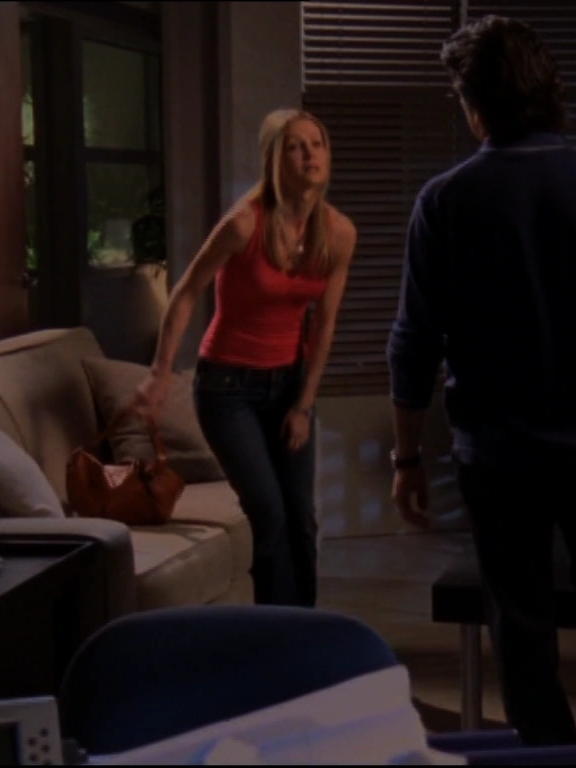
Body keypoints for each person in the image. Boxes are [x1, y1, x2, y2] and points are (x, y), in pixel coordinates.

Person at [385, 15, 576, 764]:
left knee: (519, 616)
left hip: (497, 457)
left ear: (475, 107)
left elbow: (414, 341)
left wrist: (405, 458)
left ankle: (548, 758)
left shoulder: (444, 201)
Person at [134, 108, 358, 608]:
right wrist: (160, 372)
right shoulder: (242, 225)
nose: (309, 154)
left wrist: (303, 405)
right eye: (296, 146)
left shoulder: (338, 232)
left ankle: (308, 632)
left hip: (291, 385)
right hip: (227, 389)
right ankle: (274, 635)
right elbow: (186, 292)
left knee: (301, 516)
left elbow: (324, 325)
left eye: (317, 143)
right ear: (275, 159)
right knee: (269, 514)